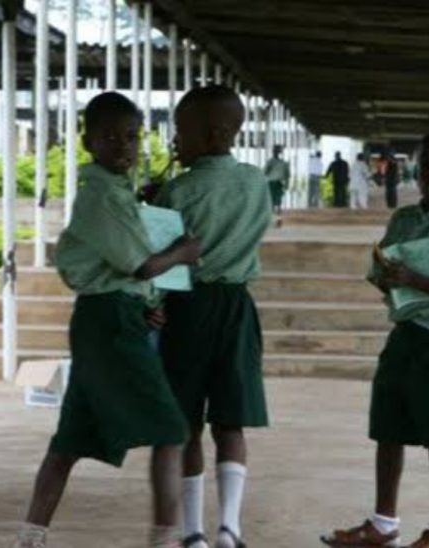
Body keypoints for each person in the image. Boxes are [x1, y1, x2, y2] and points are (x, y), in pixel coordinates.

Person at [14, 92, 202, 548]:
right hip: (109, 321)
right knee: (171, 429)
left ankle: (30, 537)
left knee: (71, 438)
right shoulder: (99, 193)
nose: (124, 145)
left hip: (115, 315)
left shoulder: (115, 190)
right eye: (110, 136)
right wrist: (183, 252)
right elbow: (138, 265)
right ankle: (164, 539)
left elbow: (134, 274)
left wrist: (145, 302)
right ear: (87, 141)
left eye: (133, 136)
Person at [321, 130, 429, 548]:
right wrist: (386, 275)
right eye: (427, 163)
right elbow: (386, 266)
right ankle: (382, 523)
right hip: (406, 333)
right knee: (388, 427)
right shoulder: (404, 220)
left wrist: (414, 278)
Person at [154, 85, 272, 548]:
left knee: (186, 424)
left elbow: (159, 253)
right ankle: (229, 526)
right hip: (238, 306)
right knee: (231, 420)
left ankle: (193, 533)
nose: (175, 141)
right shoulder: (256, 182)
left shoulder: (177, 189)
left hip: (187, 308)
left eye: (181, 131)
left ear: (215, 133)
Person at [264, 145, 290, 213]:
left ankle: (274, 209)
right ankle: (277, 209)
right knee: (277, 196)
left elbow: (265, 172)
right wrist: (287, 184)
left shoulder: (271, 162)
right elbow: (287, 175)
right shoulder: (283, 163)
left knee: (273, 196)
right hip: (277, 182)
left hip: (272, 182)